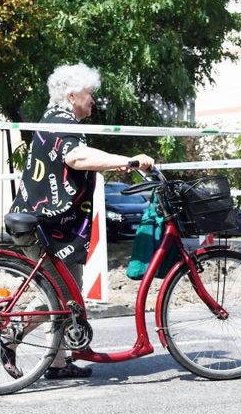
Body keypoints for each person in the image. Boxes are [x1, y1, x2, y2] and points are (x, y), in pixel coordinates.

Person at [9, 63, 154, 380]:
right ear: (72, 94)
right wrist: (126, 160)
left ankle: (58, 363)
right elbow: (76, 157)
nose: (93, 100)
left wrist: (114, 164)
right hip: (45, 225)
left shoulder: (59, 121)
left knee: (68, 295)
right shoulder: (61, 122)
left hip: (59, 227)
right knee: (60, 295)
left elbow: (77, 158)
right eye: (90, 94)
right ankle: (9, 335)